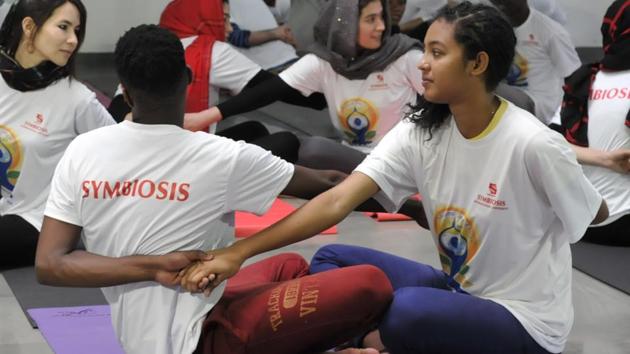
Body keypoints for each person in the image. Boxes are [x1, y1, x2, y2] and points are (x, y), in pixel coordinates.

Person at [181, 2, 609, 354]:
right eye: (425, 50)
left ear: (478, 63)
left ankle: (370, 340)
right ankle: (369, 344)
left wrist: (566, 176)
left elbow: (593, 212)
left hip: (524, 321)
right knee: (333, 261)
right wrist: (238, 252)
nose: (422, 64)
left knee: (407, 310)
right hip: (457, 290)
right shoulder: (422, 129)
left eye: (438, 54)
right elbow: (336, 201)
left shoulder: (532, 143)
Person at [35, 24, 392, 354]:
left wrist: (151, 268)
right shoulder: (219, 156)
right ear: (188, 79)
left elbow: (50, 264)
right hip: (197, 339)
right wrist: (412, 206)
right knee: (370, 283)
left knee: (288, 266)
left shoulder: (82, 150)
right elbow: (330, 185)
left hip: (145, 329)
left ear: (125, 93)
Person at [186, 0, 424, 175]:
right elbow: (269, 91)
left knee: (313, 150)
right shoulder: (325, 62)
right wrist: (205, 117)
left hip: (399, 159)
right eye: (371, 19)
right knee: (303, 149)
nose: (382, 27)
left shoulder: (405, 57)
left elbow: (445, 102)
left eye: (382, 18)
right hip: (356, 156)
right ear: (347, 25)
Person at [108, 0, 326, 163]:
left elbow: (116, 110)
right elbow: (273, 89)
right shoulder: (212, 51)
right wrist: (322, 84)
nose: (229, 29)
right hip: (186, 156)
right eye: (225, 19)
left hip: (145, 153)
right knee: (286, 142)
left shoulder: (151, 48)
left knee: (254, 129)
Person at [0, 0, 115, 268]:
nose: (73, 40)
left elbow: (124, 152)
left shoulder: (78, 100)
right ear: (29, 26)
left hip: (42, 221)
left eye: (76, 30)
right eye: (63, 27)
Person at [560, 0, 630, 247]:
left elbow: (549, 144)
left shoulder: (584, 80)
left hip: (584, 219)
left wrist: (604, 158)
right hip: (625, 225)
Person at [489, 0, 581, 124]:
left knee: (485, 89)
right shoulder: (495, 29)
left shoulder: (551, 32)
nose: (501, 4)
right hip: (507, 99)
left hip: (538, 105)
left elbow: (577, 79)